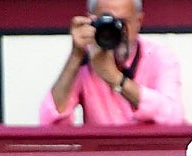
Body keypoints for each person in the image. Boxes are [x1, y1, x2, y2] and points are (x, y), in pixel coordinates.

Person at [39, 0, 183, 126]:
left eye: (123, 23)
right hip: (101, 154)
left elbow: (174, 117)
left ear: (139, 21)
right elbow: (50, 121)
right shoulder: (86, 58)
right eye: (108, 22)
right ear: (91, 20)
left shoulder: (160, 56)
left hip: (149, 152)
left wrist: (115, 78)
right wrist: (75, 56)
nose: (117, 32)